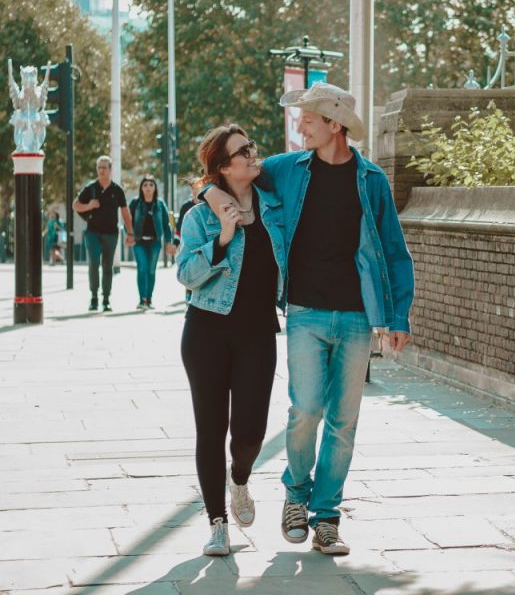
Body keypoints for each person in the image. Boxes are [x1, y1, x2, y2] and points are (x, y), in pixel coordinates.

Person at [205, 81, 414, 556]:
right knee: (306, 411)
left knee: (344, 420)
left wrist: (398, 314)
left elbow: (396, 252)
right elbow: (225, 181)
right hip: (304, 311)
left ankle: (326, 518)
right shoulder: (286, 169)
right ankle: (295, 497)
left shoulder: (372, 180)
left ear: (334, 125)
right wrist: (217, 204)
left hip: (359, 316)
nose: (299, 126)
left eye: (308, 120)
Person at [176, 124, 287, 557]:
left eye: (252, 147)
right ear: (224, 166)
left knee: (251, 431)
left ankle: (239, 478)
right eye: (244, 151)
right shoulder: (199, 216)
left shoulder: (274, 206)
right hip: (207, 332)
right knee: (210, 429)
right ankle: (217, 522)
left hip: (259, 333)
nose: (253, 154)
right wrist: (221, 238)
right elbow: (186, 274)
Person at [73, 155, 133, 311]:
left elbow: (125, 213)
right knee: (93, 263)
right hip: (92, 233)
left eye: (104, 168)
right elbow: (76, 205)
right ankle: (93, 297)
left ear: (110, 170)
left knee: (107, 266)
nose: (101, 171)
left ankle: (106, 299)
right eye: (99, 168)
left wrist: (130, 232)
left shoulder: (117, 190)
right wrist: (89, 205)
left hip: (111, 234)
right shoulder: (91, 188)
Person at [129, 175, 176, 310]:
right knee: (142, 268)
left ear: (155, 188)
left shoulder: (160, 204)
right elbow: (128, 220)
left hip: (155, 243)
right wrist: (130, 234)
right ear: (141, 188)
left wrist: (168, 242)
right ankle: (142, 300)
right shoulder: (135, 203)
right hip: (139, 242)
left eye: (151, 185)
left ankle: (149, 299)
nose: (148, 187)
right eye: (145, 185)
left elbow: (167, 225)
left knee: (151, 271)